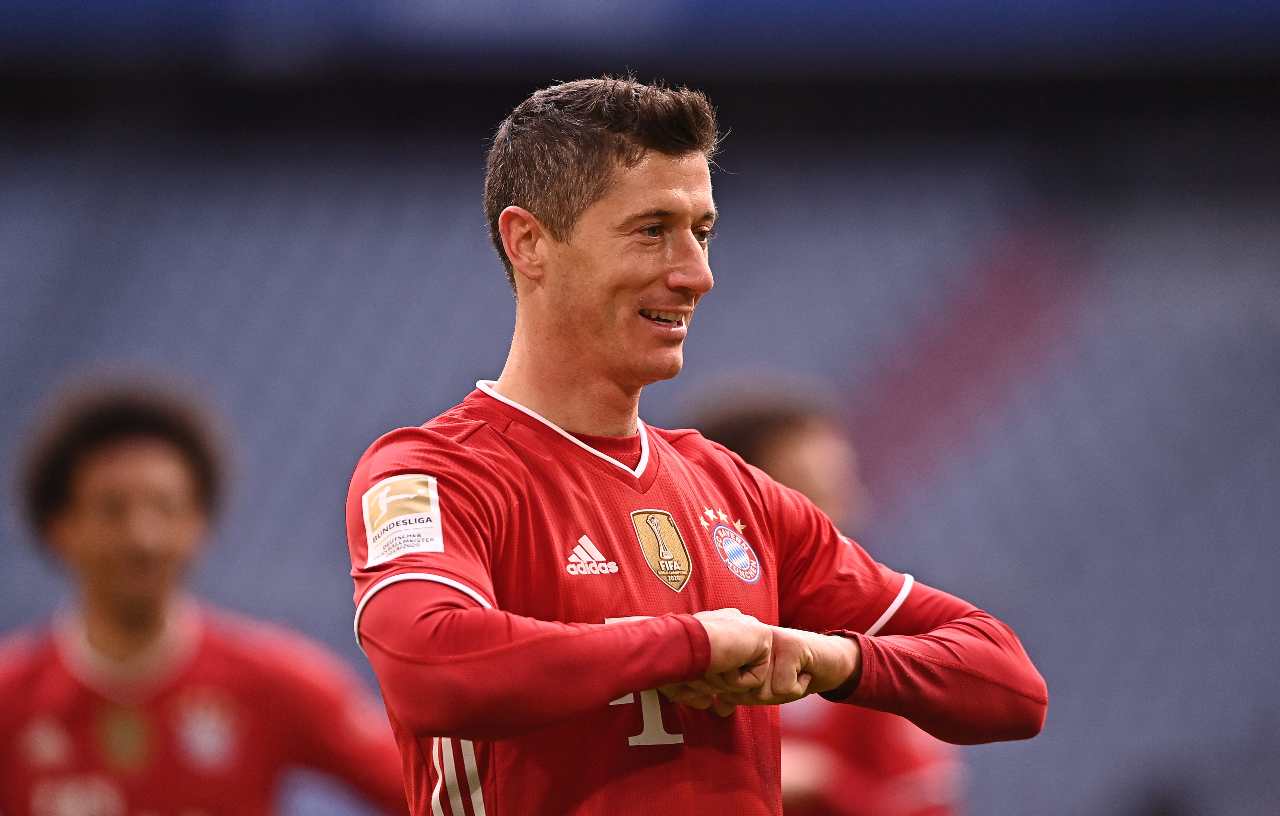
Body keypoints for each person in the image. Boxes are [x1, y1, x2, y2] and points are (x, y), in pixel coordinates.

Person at [345, 76, 1047, 816]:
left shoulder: (736, 493)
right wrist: (693, 644)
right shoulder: (435, 474)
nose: (697, 275)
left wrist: (831, 658)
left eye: (701, 232)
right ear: (530, 243)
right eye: (652, 230)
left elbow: (1008, 682)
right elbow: (432, 666)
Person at [1, 382, 407, 816]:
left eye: (165, 508)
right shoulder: (11, 699)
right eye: (112, 510)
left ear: (198, 522)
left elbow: (426, 789)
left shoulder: (274, 681)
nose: (143, 538)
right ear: (59, 527)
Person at [694, 389, 963, 816]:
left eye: (837, 492)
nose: (833, 520)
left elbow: (924, 807)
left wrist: (823, 784)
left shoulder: (878, 641)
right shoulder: (680, 634)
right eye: (809, 495)